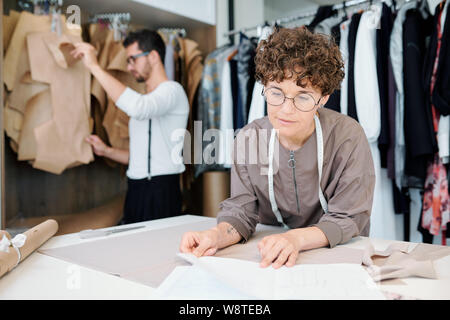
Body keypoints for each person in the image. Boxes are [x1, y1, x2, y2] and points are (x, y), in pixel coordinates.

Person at [179, 27, 376, 269]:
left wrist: (294, 239)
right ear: (264, 87)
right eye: (276, 93)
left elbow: (349, 217)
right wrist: (215, 236)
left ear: (323, 98)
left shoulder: (347, 136)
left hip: (338, 258)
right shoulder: (250, 138)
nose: (286, 109)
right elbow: (240, 212)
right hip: (270, 257)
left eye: (303, 96)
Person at [71, 29, 189, 224]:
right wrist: (106, 150)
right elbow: (138, 158)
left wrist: (94, 67)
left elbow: (138, 108)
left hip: (162, 190)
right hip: (135, 189)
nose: (129, 67)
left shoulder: (173, 92)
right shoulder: (147, 99)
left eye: (133, 59)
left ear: (153, 56)